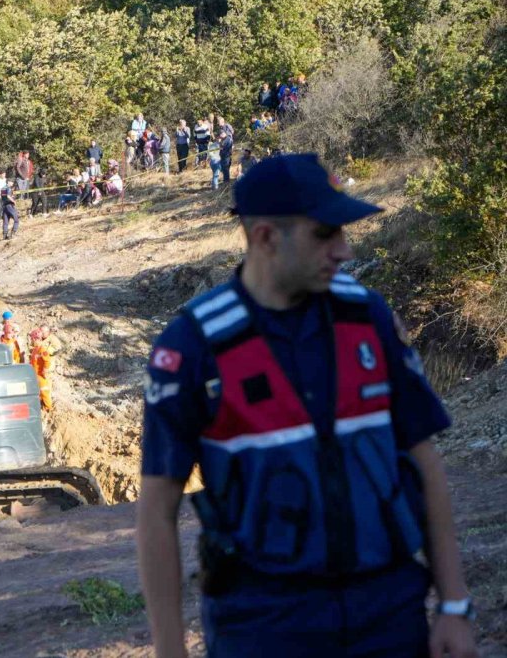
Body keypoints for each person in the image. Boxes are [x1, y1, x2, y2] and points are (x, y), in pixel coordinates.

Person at [137, 154, 477, 658]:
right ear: (266, 237)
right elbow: (157, 510)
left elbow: (423, 461)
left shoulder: (369, 317)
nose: (343, 250)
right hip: (263, 626)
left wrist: (453, 605)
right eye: (324, 234)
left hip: (388, 614)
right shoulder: (190, 347)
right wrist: (169, 649)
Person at [27, 329, 53, 411]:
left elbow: (47, 361)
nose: (31, 341)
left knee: (44, 391)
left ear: (35, 339)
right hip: (35, 374)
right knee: (38, 392)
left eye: (32, 339)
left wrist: (44, 371)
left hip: (40, 375)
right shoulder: (35, 349)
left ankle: (49, 407)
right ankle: (41, 406)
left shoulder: (42, 349)